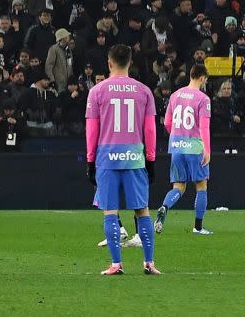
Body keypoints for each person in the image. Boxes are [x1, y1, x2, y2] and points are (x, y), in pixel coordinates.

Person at [85, 44, 160, 275]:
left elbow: (91, 129)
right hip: (134, 158)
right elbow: (150, 130)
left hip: (107, 159)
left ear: (109, 63)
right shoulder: (144, 91)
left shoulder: (97, 91)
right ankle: (149, 262)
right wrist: (151, 159)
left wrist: (90, 160)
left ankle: (116, 264)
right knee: (143, 211)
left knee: (109, 211)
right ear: (130, 63)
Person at [154, 64, 213, 235]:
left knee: (178, 186)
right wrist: (207, 150)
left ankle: (165, 207)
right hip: (195, 147)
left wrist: (178, 137)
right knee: (201, 185)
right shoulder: (203, 99)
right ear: (202, 77)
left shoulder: (175, 95)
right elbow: (204, 127)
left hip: (177, 146)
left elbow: (167, 123)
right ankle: (198, 227)